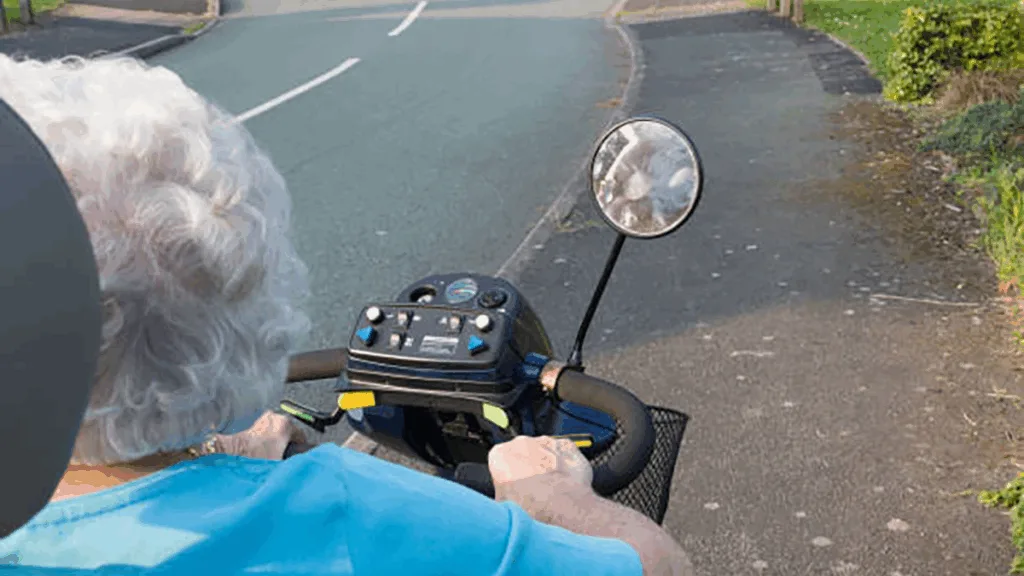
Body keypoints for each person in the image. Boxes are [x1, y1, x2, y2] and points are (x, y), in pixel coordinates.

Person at [0, 54, 694, 576]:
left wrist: (208, 452)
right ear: (247, 301)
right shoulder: (357, 514)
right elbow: (655, 566)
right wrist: (547, 496)